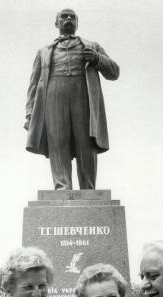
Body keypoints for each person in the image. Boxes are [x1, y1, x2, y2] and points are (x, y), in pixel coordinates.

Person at [24, 8, 119, 190]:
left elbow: (114, 72)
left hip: (82, 96)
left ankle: (88, 188)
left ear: (77, 23)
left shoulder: (91, 46)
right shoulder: (44, 52)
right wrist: (29, 113)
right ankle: (62, 187)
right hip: (53, 97)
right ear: (56, 23)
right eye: (64, 16)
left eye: (72, 17)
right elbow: (33, 85)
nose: (68, 19)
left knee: (86, 143)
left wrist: (97, 58)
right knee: (57, 141)